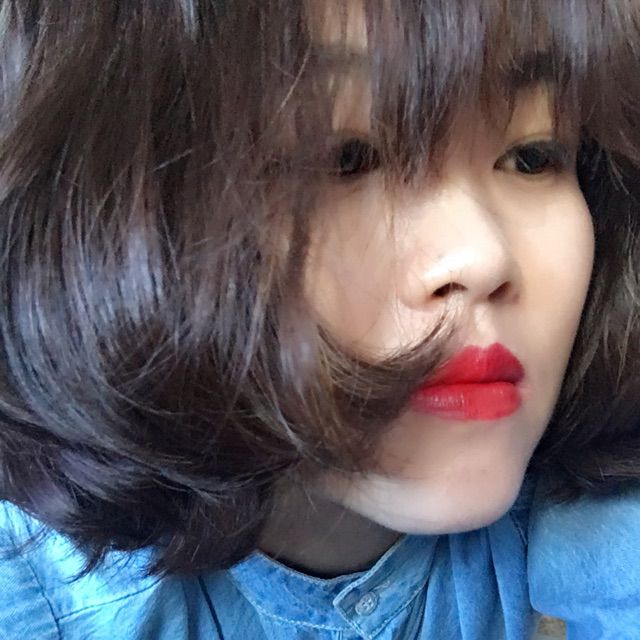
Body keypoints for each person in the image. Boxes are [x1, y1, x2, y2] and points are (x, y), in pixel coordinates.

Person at [0, 0, 639, 638]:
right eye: (345, 158)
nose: (483, 256)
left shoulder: (598, 491)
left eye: (532, 156)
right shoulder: (34, 592)